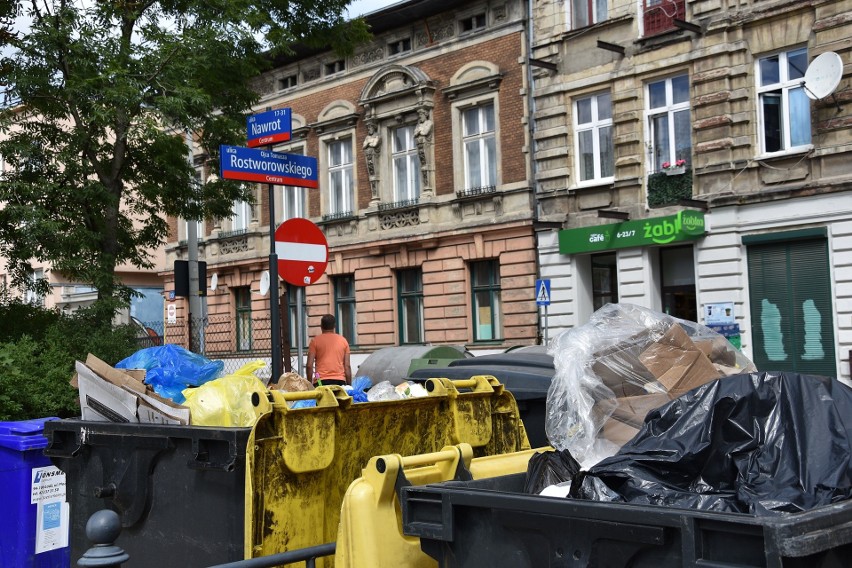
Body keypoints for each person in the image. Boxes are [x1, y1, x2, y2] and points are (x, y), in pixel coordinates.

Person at [305, 314, 352, 387]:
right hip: (340, 382)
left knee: (322, 396)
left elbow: (309, 366)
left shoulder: (315, 341)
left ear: (321, 326)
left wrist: (309, 384)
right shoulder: (343, 341)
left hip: (320, 381)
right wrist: (349, 386)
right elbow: (347, 366)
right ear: (334, 326)